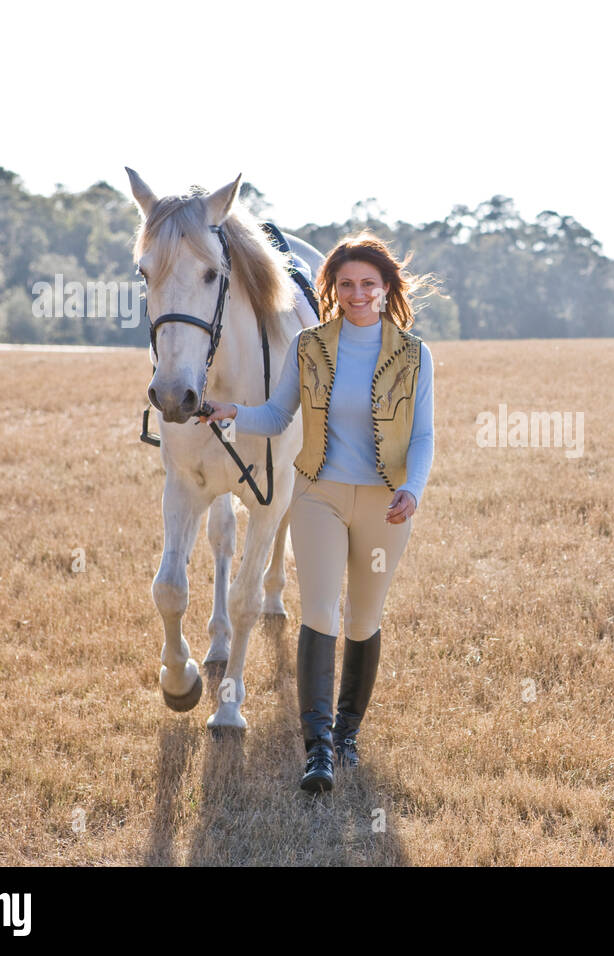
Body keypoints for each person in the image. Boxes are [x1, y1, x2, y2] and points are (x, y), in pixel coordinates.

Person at [197, 231, 438, 794]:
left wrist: (415, 488)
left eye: (369, 285)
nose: (357, 294)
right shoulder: (309, 346)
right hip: (318, 497)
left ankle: (348, 733)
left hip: (385, 503)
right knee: (320, 613)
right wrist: (227, 413)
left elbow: (423, 435)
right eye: (347, 283)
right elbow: (278, 416)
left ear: (386, 290)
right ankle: (319, 749)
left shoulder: (414, 355)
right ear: (332, 286)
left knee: (363, 620)